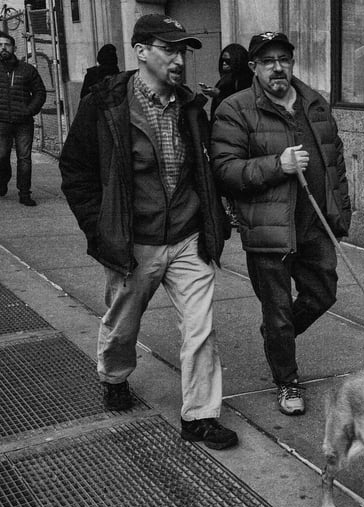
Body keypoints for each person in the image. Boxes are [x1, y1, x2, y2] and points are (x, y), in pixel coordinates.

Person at [59, 14, 238, 449]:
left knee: (200, 329)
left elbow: (204, 170)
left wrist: (213, 219)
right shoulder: (105, 105)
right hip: (133, 242)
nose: (180, 59)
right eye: (169, 48)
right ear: (140, 50)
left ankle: (199, 416)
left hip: (188, 236)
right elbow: (76, 170)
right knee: (122, 325)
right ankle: (114, 376)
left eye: (184, 51)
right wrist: (100, 228)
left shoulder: (192, 108)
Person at [210, 31, 351, 416]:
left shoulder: (314, 103)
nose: (277, 67)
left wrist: (340, 213)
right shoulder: (234, 109)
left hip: (314, 226)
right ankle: (287, 381)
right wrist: (278, 165)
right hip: (268, 232)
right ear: (254, 67)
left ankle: (277, 336)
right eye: (268, 60)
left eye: (283, 59)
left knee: (323, 294)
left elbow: (335, 164)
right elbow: (224, 170)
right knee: (276, 309)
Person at [0, 30, 46, 206]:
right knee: (2, 156)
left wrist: (29, 110)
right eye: (0, 45)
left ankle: (24, 192)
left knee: (24, 158)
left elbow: (40, 92)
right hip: (1, 121)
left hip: (23, 122)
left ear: (14, 47)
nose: (3, 48)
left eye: (6, 45)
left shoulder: (27, 70)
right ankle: (2, 180)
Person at [199, 43, 252, 118]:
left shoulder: (245, 79)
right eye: (223, 61)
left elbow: (243, 105)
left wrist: (218, 94)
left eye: (228, 61)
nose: (224, 63)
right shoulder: (226, 78)